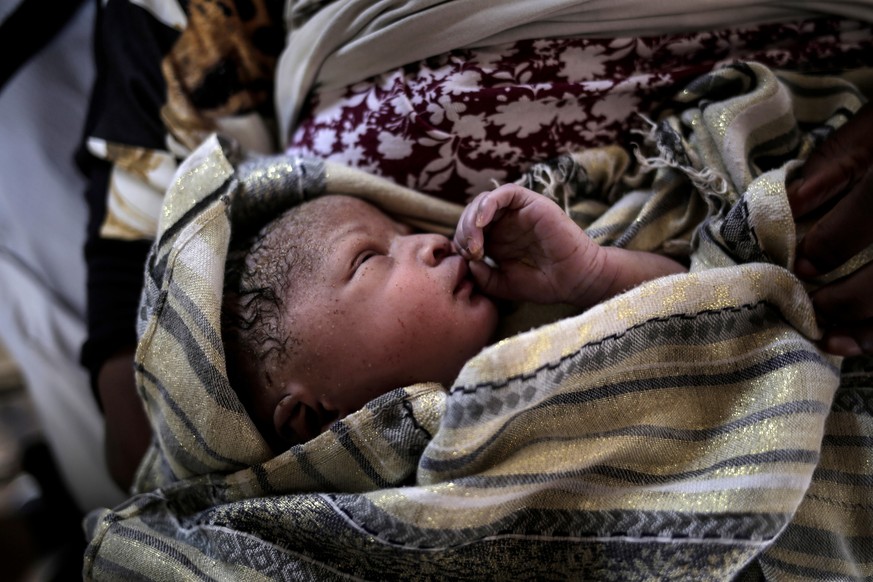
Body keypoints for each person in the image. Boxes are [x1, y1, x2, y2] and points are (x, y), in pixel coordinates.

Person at [221, 184, 686, 449]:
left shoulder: (535, 316)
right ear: (310, 421)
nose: (431, 240)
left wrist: (595, 278)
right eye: (368, 259)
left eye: (405, 230)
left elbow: (697, 311)